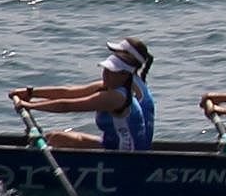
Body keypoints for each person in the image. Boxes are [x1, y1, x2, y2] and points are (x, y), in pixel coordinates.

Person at [12, 38, 155, 151]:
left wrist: (29, 105)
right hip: (113, 143)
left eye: (111, 71)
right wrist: (31, 92)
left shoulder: (115, 97)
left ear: (124, 74)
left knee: (54, 140)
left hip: (126, 155)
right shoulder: (115, 86)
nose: (106, 74)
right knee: (54, 138)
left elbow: (66, 106)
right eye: (106, 69)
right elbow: (69, 92)